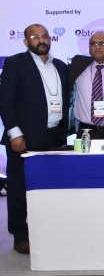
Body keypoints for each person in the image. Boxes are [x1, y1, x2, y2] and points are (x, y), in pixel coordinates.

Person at [0, 24, 69, 254]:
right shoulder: (15, 63)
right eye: (35, 36)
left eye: (45, 36)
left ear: (50, 40)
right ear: (26, 41)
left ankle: (49, 232)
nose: (41, 40)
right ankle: (20, 235)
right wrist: (15, 133)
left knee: (50, 188)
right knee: (19, 189)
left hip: (54, 137)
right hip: (23, 139)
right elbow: (5, 102)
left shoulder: (60, 66)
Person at [68, 31, 104, 139]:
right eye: (93, 43)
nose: (97, 46)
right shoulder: (77, 66)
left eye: (102, 43)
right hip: (85, 131)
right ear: (89, 48)